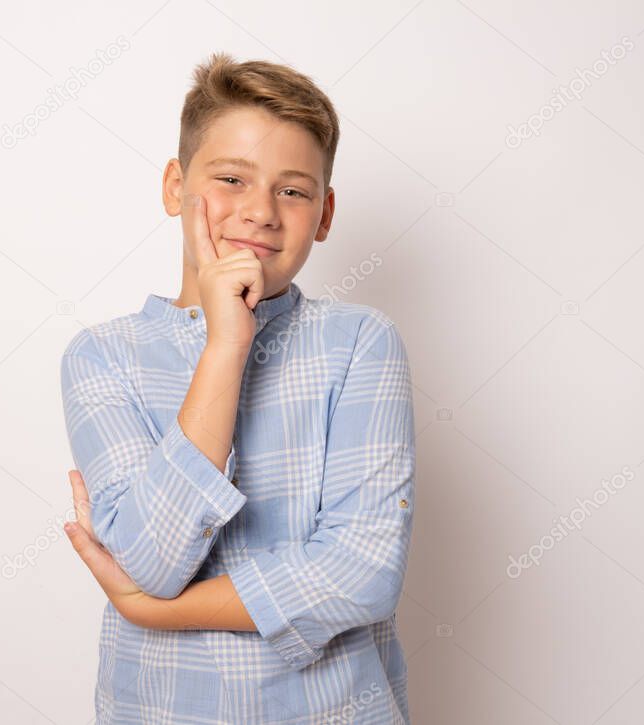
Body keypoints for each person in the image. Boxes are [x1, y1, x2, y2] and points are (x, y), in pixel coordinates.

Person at [60, 50, 416, 724]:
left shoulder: (360, 343)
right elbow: (152, 560)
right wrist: (226, 345)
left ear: (325, 212)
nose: (260, 211)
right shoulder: (103, 357)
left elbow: (363, 570)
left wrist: (149, 608)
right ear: (175, 186)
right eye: (231, 178)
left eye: (292, 189)